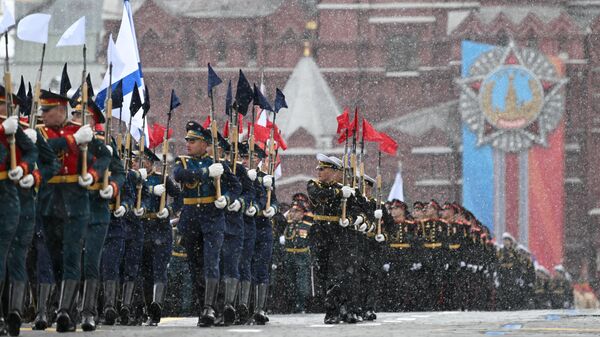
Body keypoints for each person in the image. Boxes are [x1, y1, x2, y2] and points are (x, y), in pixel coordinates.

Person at [37, 89, 111, 332]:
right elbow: (43, 148)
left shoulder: (82, 134)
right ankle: (64, 304)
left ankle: (65, 311)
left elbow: (106, 159)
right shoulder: (40, 133)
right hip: (49, 203)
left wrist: (94, 175)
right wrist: (72, 141)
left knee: (72, 257)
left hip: (77, 203)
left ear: (60, 110)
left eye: (48, 110)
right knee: (55, 258)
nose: (44, 115)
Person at [173, 121, 240, 327]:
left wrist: (227, 199)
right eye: (187, 141)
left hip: (213, 218)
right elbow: (179, 176)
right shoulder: (183, 162)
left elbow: (235, 187)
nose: (188, 144)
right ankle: (204, 306)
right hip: (191, 219)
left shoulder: (218, 164)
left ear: (204, 143)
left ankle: (210, 308)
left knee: (212, 262)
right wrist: (206, 173)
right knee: (196, 266)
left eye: (192, 141)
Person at [0, 89, 39, 336]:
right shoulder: (6, 130)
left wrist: (25, 169)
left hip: (9, 195)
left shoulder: (17, 129)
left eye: (5, 106)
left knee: (7, 255)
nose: (4, 110)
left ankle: (9, 312)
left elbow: (35, 155)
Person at [138, 147, 181, 326]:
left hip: (159, 227)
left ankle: (157, 308)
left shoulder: (162, 178)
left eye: (142, 161)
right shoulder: (134, 179)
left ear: (150, 163)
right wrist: (148, 190)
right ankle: (148, 310)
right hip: (141, 228)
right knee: (145, 273)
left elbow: (180, 197)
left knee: (159, 270)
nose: (138, 164)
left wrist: (168, 210)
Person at [280, 201, 312, 313]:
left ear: (303, 213)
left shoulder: (308, 226)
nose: (294, 214)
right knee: (290, 282)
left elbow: (312, 243)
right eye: (292, 211)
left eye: (297, 211)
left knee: (301, 283)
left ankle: (301, 305)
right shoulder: (286, 225)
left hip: (301, 257)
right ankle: (292, 305)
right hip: (289, 256)